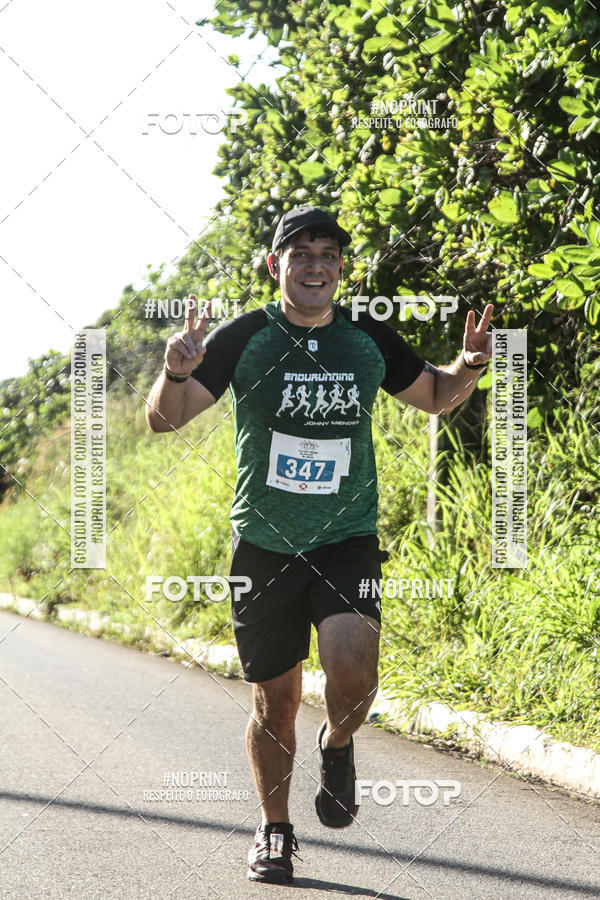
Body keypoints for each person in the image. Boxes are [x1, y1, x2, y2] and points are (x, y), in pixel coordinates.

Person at [145, 206, 493, 885]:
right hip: (264, 548)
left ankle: (338, 745)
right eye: (299, 253)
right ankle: (274, 830)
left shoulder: (365, 336)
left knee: (353, 669)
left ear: (340, 268)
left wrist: (470, 366)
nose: (314, 265)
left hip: (346, 540)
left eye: (327, 254)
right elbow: (164, 420)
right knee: (273, 703)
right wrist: (177, 372)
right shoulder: (244, 336)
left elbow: (435, 396)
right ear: (275, 266)